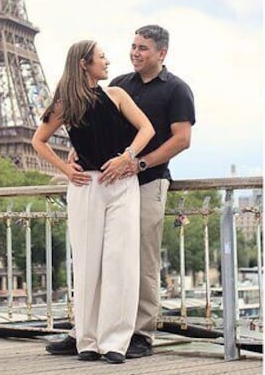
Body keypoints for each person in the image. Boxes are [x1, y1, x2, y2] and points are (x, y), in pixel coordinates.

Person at [46, 24, 195, 359]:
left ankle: (140, 334)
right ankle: (89, 331)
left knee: (138, 261)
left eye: (143, 48)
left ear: (162, 53)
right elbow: (96, 125)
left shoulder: (176, 89)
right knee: (97, 259)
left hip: (148, 179)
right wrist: (76, 152)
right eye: (133, 46)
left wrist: (137, 163)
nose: (134, 53)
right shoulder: (117, 85)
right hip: (108, 181)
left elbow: (182, 139)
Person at [32, 40, 154, 364]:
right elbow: (38, 140)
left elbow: (147, 129)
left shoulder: (116, 95)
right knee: (87, 266)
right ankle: (87, 340)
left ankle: (115, 342)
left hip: (122, 183)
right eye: (102, 57)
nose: (108, 61)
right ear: (85, 63)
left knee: (120, 263)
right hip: (86, 185)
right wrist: (65, 170)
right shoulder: (65, 105)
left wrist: (127, 157)